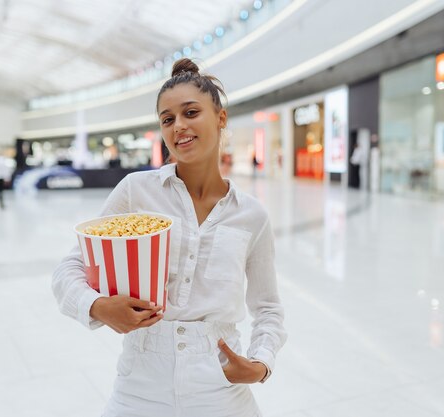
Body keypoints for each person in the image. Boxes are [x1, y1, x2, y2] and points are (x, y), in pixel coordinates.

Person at [52, 58, 287, 417]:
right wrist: (97, 306)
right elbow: (70, 267)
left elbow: (268, 308)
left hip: (221, 387)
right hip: (140, 384)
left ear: (220, 118)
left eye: (191, 112)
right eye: (167, 119)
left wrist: (260, 364)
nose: (178, 126)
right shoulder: (136, 191)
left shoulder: (251, 215)